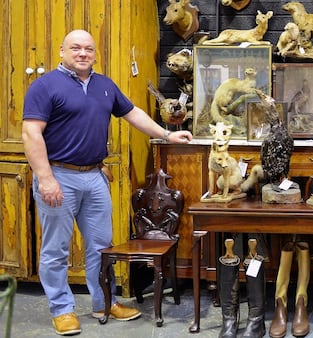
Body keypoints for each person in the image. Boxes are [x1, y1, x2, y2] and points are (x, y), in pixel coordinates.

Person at [21, 29, 193, 336]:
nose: (83, 53)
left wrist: (166, 134)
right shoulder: (45, 86)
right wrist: (45, 178)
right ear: (62, 50)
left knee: (101, 246)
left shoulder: (104, 85)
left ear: (94, 53)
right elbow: (31, 133)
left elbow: (133, 113)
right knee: (56, 249)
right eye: (76, 48)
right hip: (58, 175)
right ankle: (62, 310)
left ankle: (104, 302)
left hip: (95, 176)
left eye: (88, 48)